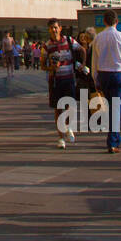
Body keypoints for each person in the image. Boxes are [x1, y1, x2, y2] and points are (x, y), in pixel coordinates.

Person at [91, 10, 121, 154]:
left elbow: (94, 61)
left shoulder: (98, 38)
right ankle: (113, 141)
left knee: (111, 106)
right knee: (117, 108)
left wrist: (96, 78)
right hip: (118, 74)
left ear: (104, 21)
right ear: (117, 22)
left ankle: (113, 137)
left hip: (104, 74)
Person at [44, 19, 86, 148]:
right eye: (51, 28)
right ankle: (61, 137)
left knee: (70, 107)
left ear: (60, 28)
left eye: (56, 27)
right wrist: (51, 68)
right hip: (56, 80)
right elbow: (42, 65)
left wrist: (82, 65)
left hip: (68, 79)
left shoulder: (69, 41)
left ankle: (68, 127)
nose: (54, 30)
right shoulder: (47, 46)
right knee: (58, 109)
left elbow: (82, 50)